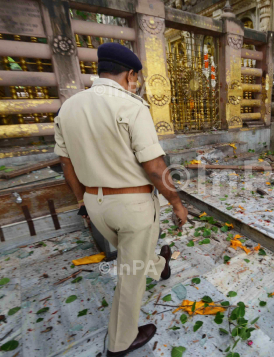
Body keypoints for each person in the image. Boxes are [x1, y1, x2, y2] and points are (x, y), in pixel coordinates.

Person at [54, 42, 188, 357]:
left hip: (96, 205)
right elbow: (155, 167)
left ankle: (160, 265)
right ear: (130, 74)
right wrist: (177, 203)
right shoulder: (131, 106)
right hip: (134, 207)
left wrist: (81, 202)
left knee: (133, 255)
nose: (136, 83)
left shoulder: (68, 109)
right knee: (130, 277)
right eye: (136, 78)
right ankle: (120, 343)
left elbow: (66, 164)